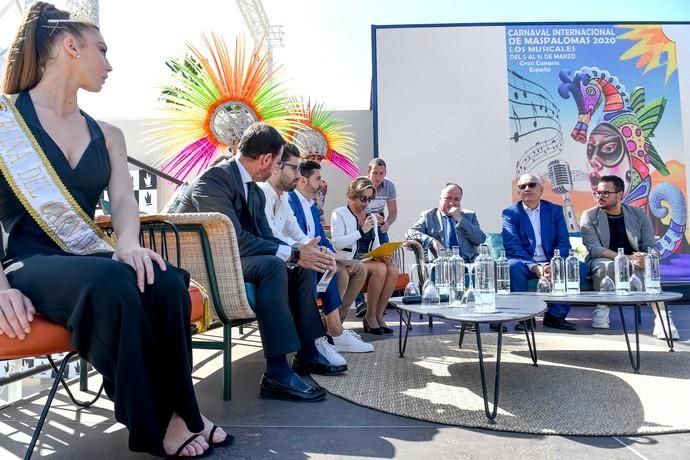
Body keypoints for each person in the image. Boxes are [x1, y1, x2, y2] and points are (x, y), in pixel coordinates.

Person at [0, 3, 229, 457]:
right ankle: (157, 424)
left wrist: (128, 245)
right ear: (70, 46)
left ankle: (186, 411)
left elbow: (124, 199)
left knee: (162, 280)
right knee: (109, 282)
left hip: (84, 255)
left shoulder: (107, 133)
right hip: (28, 261)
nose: (109, 64)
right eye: (100, 50)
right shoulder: (6, 122)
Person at [171, 122, 347, 402]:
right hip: (204, 268)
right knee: (274, 265)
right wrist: (292, 253)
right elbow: (234, 239)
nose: (277, 168)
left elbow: (265, 237)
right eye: (278, 162)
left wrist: (300, 254)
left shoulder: (251, 188)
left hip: (232, 261)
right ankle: (277, 373)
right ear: (266, 159)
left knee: (296, 268)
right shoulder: (213, 179)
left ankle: (308, 351)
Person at [580, 175, 679, 337]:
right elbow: (594, 248)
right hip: (604, 260)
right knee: (608, 264)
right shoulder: (590, 215)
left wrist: (646, 257)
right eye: (597, 193)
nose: (600, 197)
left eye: (605, 193)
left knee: (648, 266)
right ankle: (602, 307)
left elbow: (651, 245)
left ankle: (662, 319)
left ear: (620, 194)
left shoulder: (638, 214)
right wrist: (625, 259)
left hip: (634, 261)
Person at [288, 159, 371, 352]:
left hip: (319, 257)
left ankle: (337, 324)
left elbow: (323, 241)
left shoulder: (312, 208)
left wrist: (331, 254)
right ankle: (334, 330)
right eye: (317, 179)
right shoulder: (291, 202)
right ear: (302, 180)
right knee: (336, 271)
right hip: (300, 259)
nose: (321, 183)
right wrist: (326, 256)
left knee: (356, 267)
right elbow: (294, 237)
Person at [502, 174, 588, 331]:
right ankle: (525, 317)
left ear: (541, 190)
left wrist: (553, 264)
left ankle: (555, 316)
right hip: (525, 263)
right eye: (522, 186)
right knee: (512, 266)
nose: (527, 188)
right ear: (518, 192)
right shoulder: (510, 213)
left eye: (532, 185)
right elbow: (513, 247)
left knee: (579, 267)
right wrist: (536, 268)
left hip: (550, 261)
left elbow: (563, 242)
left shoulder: (555, 210)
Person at [331, 177, 399, 335]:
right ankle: (369, 317)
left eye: (370, 199)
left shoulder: (371, 217)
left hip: (367, 259)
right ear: (352, 195)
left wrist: (381, 254)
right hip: (349, 260)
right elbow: (337, 243)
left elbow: (374, 243)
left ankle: (377, 315)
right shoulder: (339, 213)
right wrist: (361, 231)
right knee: (380, 270)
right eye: (363, 198)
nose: (366, 203)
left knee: (392, 268)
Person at [405, 183, 486, 262]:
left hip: (467, 264)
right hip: (440, 265)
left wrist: (460, 219)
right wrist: (431, 241)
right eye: (448, 198)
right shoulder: (429, 216)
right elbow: (410, 233)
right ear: (440, 199)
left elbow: (480, 239)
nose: (452, 203)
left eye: (456, 199)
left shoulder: (469, 215)